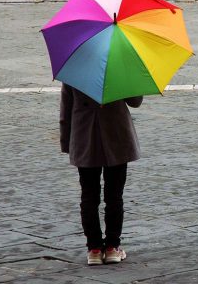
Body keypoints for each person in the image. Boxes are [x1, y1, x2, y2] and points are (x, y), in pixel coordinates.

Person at [59, 83, 143, 265]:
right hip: (117, 137)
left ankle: (94, 249)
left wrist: (67, 144)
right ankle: (112, 247)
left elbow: (66, 111)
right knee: (114, 195)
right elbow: (135, 101)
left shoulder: (74, 70)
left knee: (89, 196)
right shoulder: (119, 68)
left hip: (84, 139)